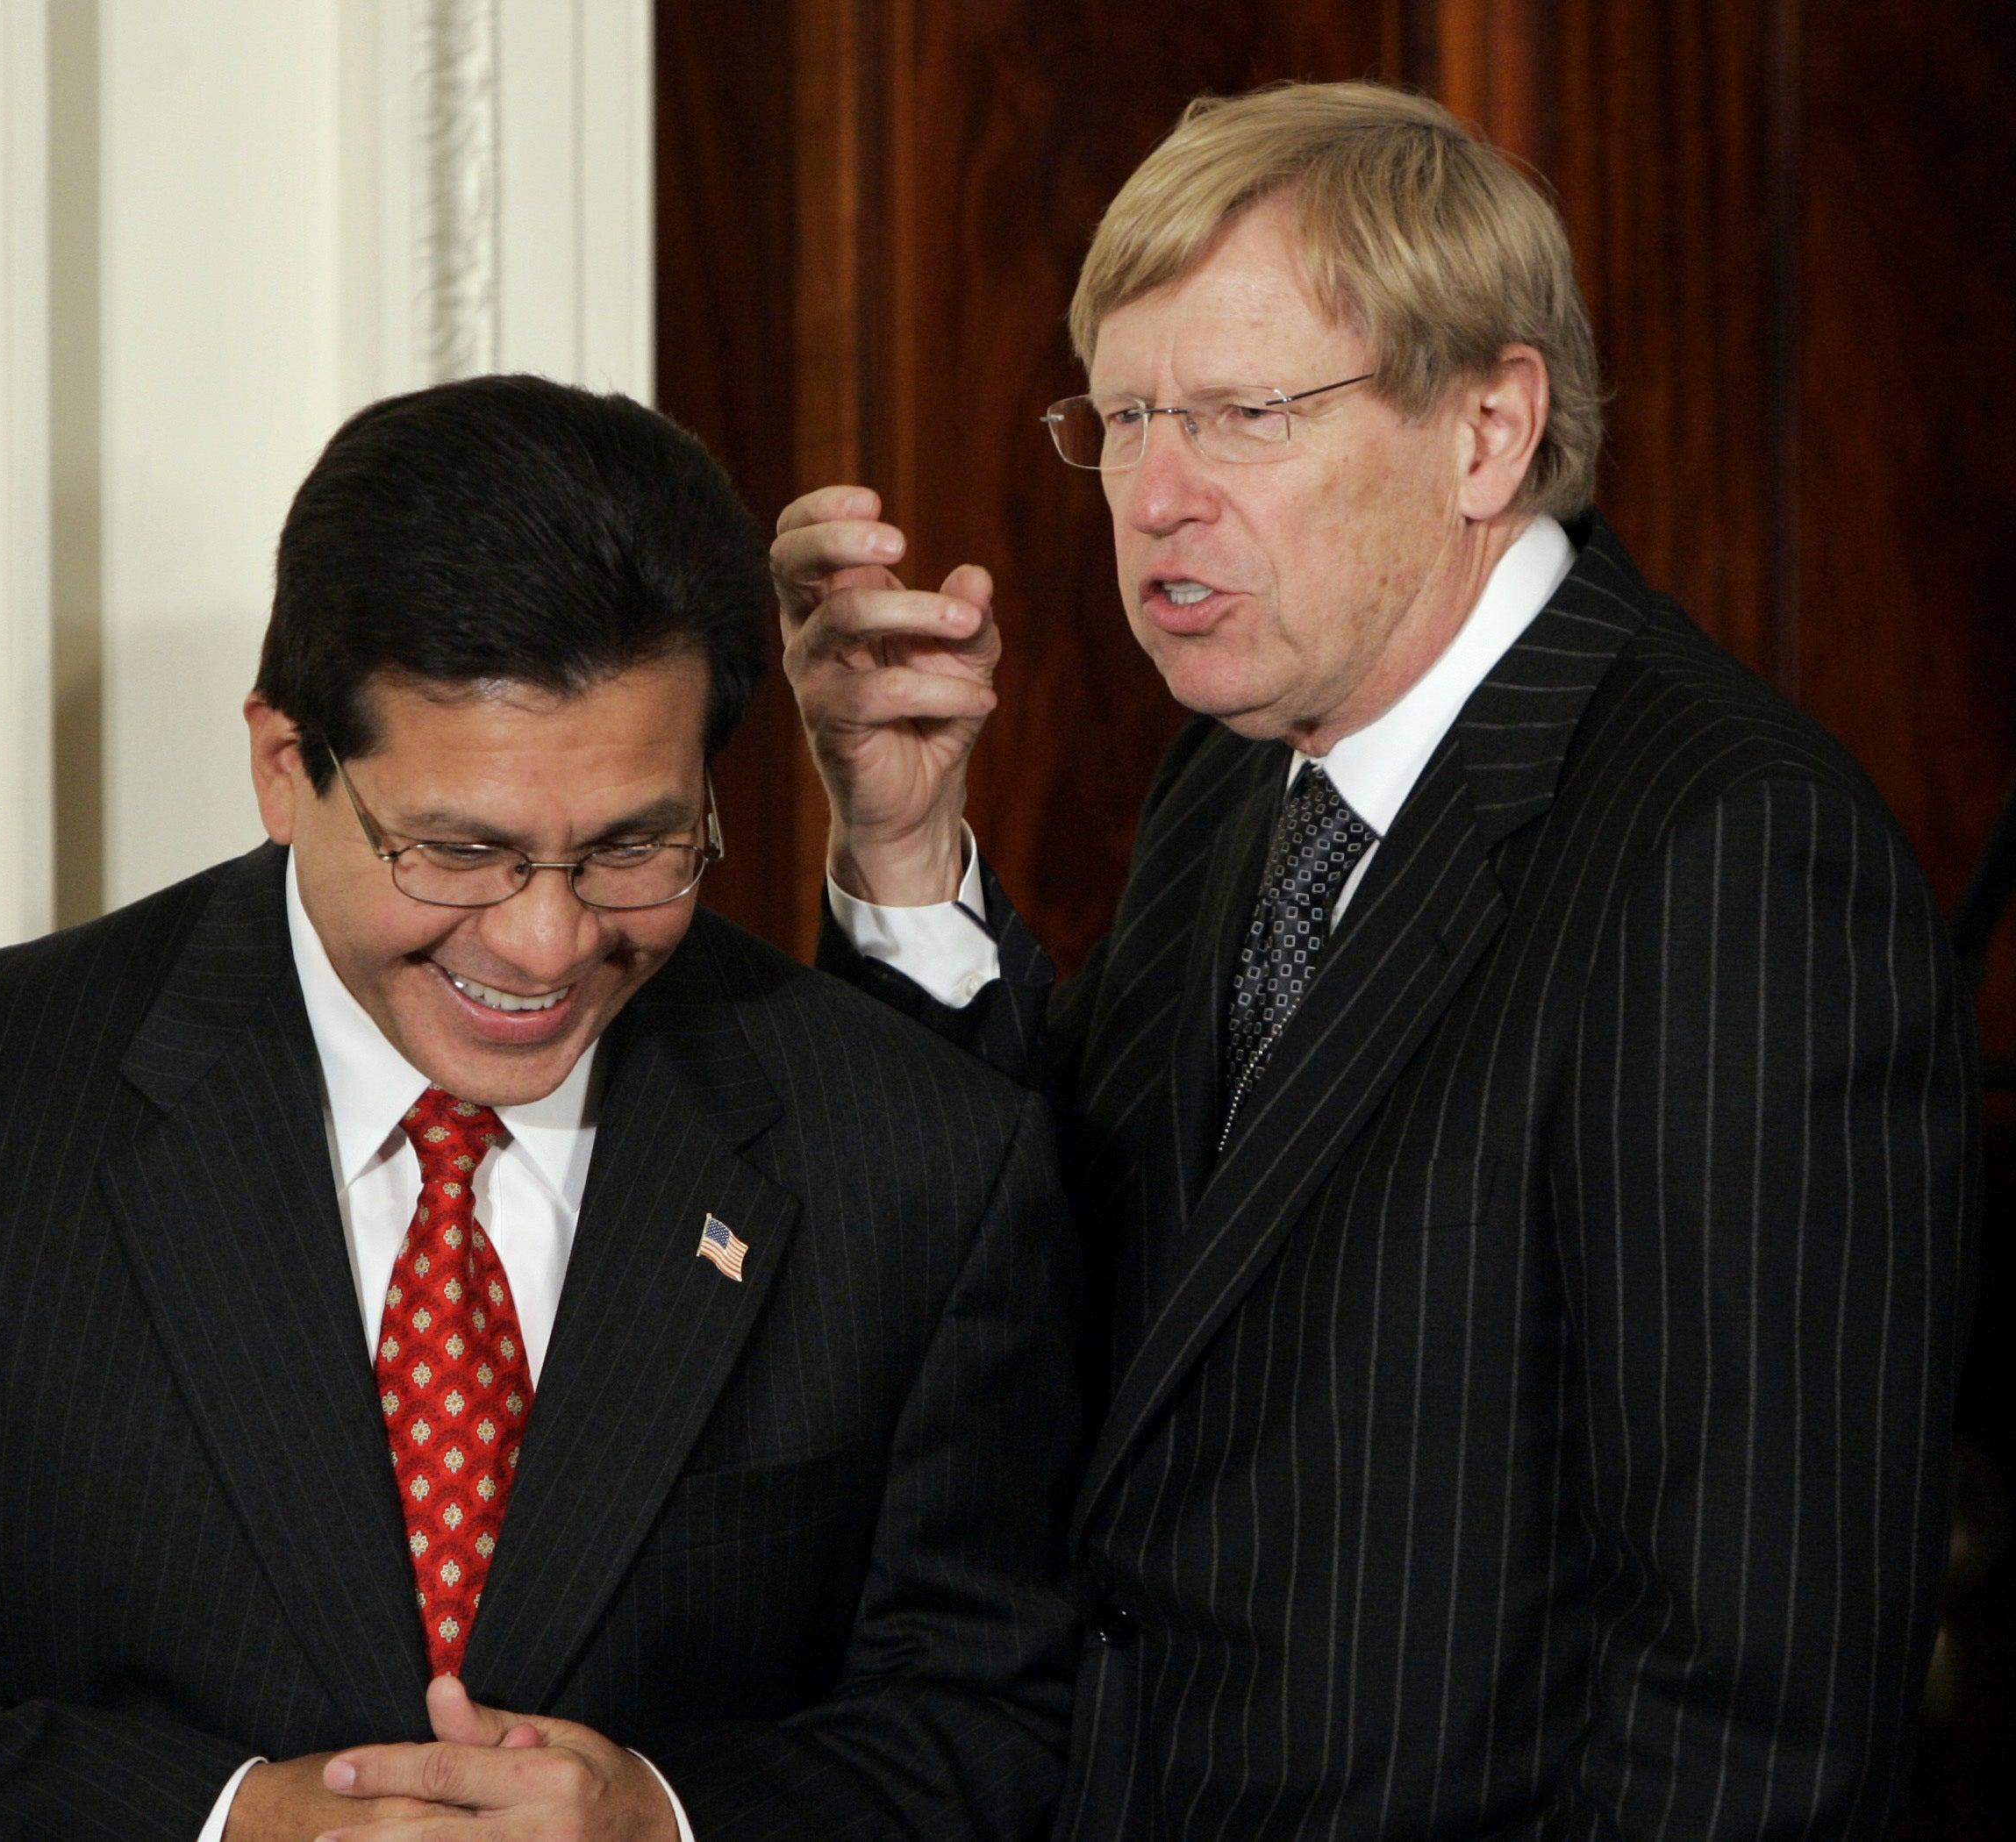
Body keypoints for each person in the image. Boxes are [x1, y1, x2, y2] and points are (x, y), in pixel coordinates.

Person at [776, 82, 1975, 1839]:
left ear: (1488, 426)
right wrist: (899, 855)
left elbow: (1751, 1704)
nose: (1155, 498)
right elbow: (1056, 1292)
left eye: (1243, 416)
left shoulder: (1725, 855)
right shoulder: (1240, 767)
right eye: (1121, 418)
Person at [0, 376, 1080, 1842]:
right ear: (286, 767)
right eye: (459, 851)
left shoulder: (912, 1152)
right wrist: (228, 1824)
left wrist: (671, 1819)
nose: (544, 942)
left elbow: (994, 1723)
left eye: (635, 846)